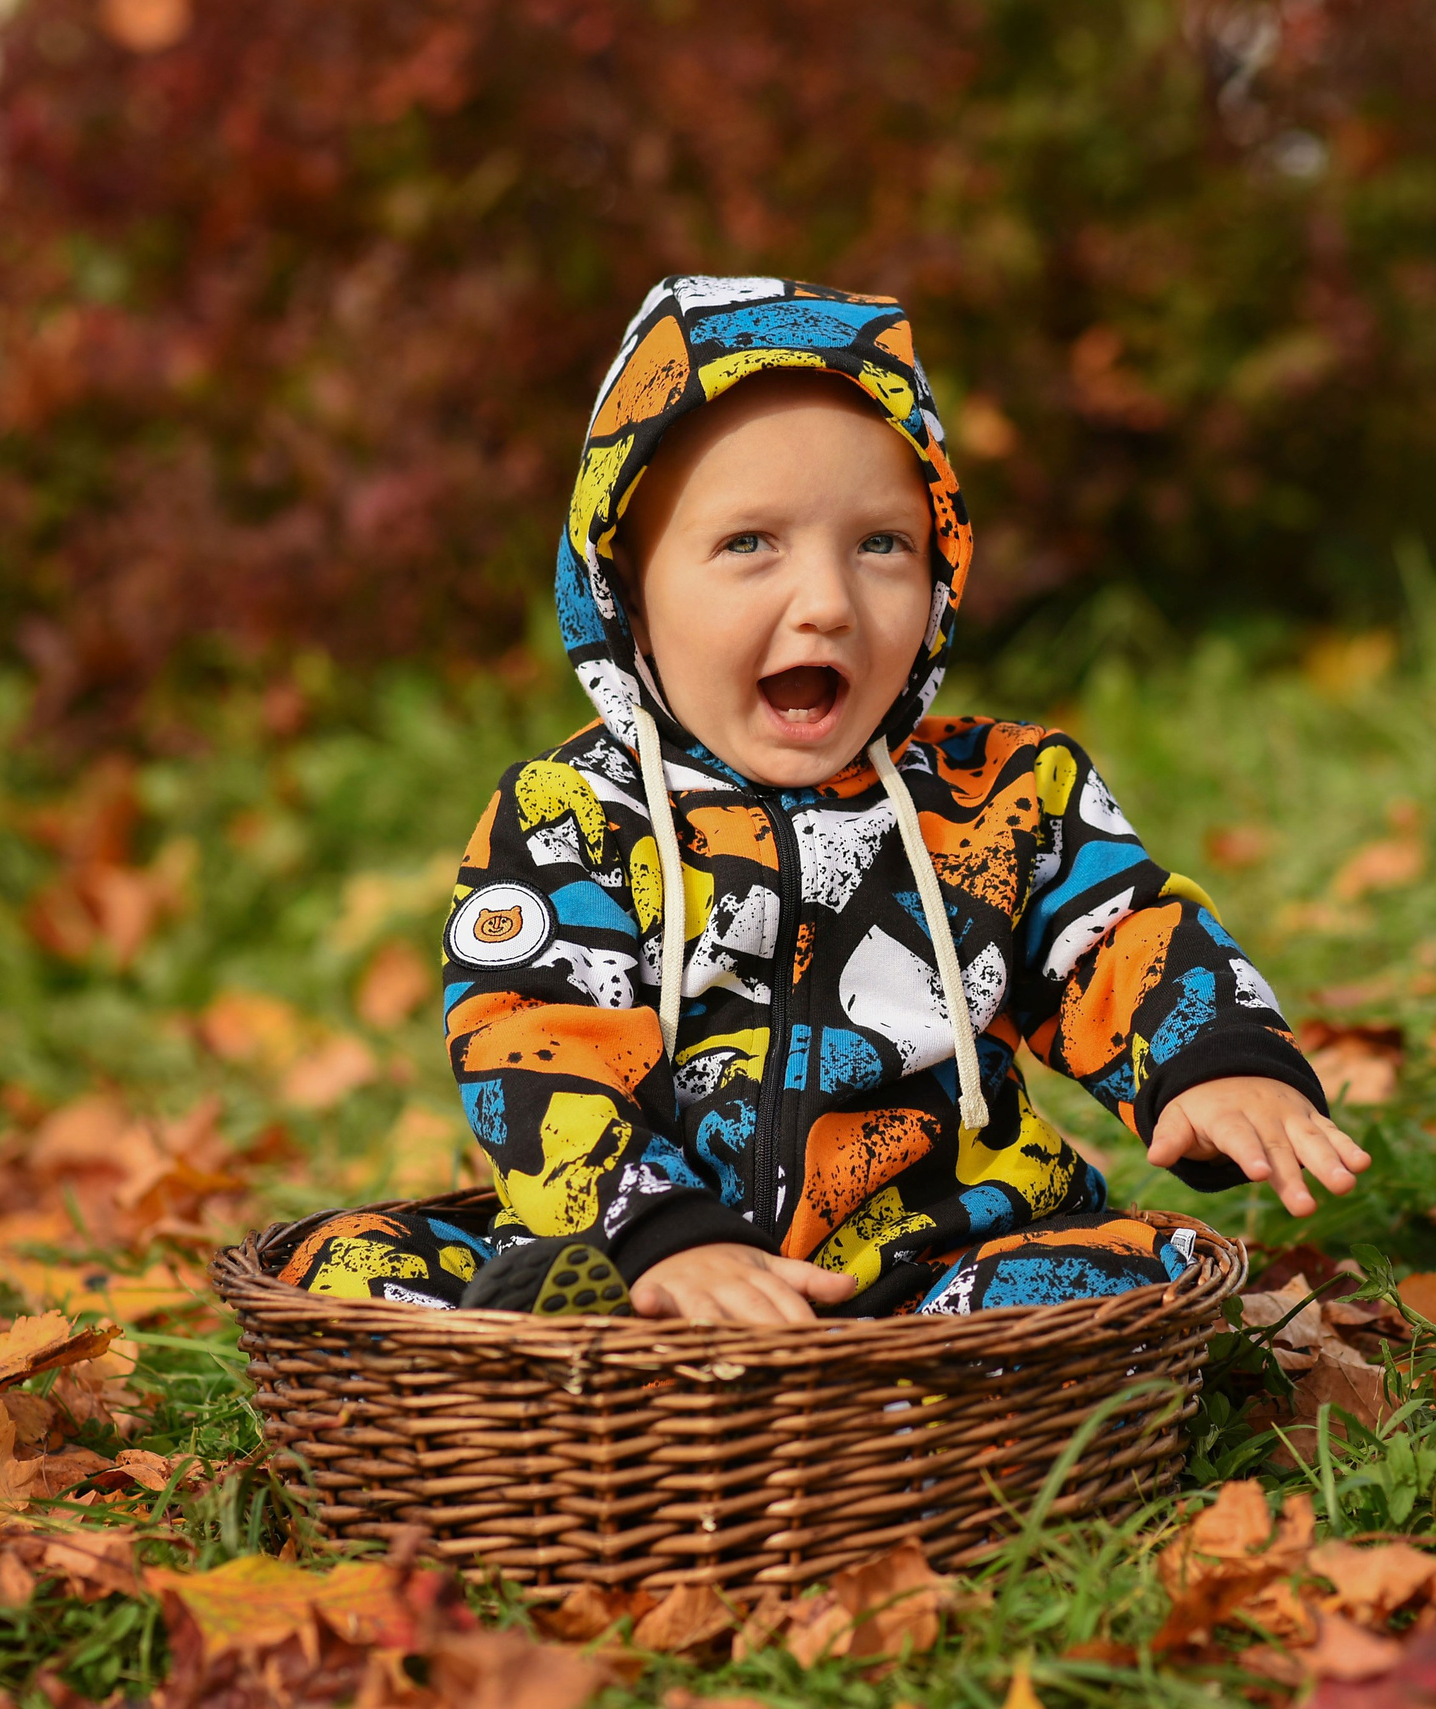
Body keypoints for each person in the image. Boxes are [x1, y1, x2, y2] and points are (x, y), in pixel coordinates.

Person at [280, 277, 1366, 1325]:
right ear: (630, 590)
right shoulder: (571, 815)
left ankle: (882, 1385)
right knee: (343, 1261)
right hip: (657, 1250)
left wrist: (1214, 1065)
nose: (827, 604)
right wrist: (658, 1232)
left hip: (932, 1261)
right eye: (749, 544)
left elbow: (1121, 937)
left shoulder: (1003, 792)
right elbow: (533, 1041)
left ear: (940, 568)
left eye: (881, 545)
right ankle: (575, 1334)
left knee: (1141, 1267)